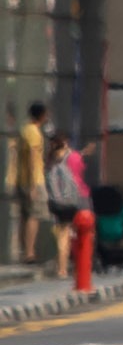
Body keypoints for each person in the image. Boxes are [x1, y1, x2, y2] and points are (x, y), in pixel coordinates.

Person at [43, 133, 88, 278]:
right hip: (69, 202)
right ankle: (62, 269)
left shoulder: (50, 162)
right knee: (66, 235)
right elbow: (79, 170)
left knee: (62, 234)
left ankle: (60, 265)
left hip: (55, 203)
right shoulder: (70, 158)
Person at [11, 102, 50, 265]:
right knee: (34, 216)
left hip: (22, 180)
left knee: (24, 216)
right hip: (34, 180)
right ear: (41, 115)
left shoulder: (24, 129)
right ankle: (29, 253)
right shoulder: (34, 133)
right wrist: (34, 185)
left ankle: (23, 251)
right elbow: (34, 158)